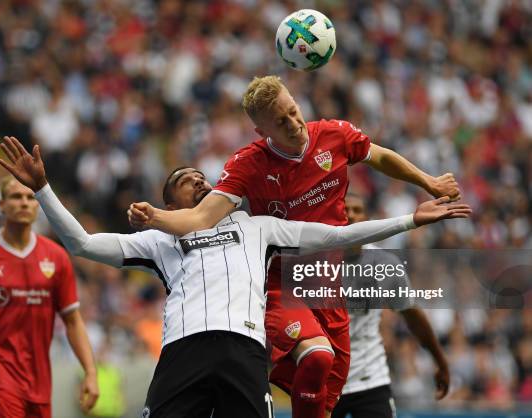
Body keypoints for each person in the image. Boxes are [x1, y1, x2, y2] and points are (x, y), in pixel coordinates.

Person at [0, 136, 469, 418]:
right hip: (183, 350)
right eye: (189, 180)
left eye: (205, 178)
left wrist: (410, 218)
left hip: (245, 351)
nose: (203, 182)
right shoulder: (159, 241)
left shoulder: (257, 227)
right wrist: (42, 190)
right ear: (170, 200)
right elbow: (81, 243)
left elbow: (333, 234)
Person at [127, 75, 461, 417]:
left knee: (323, 400)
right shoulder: (247, 164)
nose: (293, 124)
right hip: (283, 283)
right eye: (280, 121)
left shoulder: (334, 134)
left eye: (293, 111)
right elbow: (199, 218)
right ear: (262, 132)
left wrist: (429, 181)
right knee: (317, 356)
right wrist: (154, 217)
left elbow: (380, 156)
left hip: (329, 284)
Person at [0, 175, 99, 418]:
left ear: (37, 205)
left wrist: (90, 373)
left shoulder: (56, 257)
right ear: (1, 205)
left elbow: (73, 321)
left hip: (39, 381)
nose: (24, 203)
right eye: (15, 197)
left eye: (30, 198)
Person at [331, 193, 450, 418]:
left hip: (370, 379)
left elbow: (412, 315)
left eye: (358, 210)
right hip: (324, 381)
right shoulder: (311, 263)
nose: (352, 216)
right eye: (346, 209)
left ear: (368, 218)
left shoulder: (385, 264)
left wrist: (440, 360)